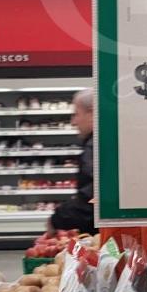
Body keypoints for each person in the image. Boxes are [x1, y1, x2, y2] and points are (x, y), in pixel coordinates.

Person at [49, 89, 95, 234]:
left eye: (76, 114)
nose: (73, 122)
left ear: (92, 113)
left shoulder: (95, 146)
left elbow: (94, 194)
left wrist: (59, 218)